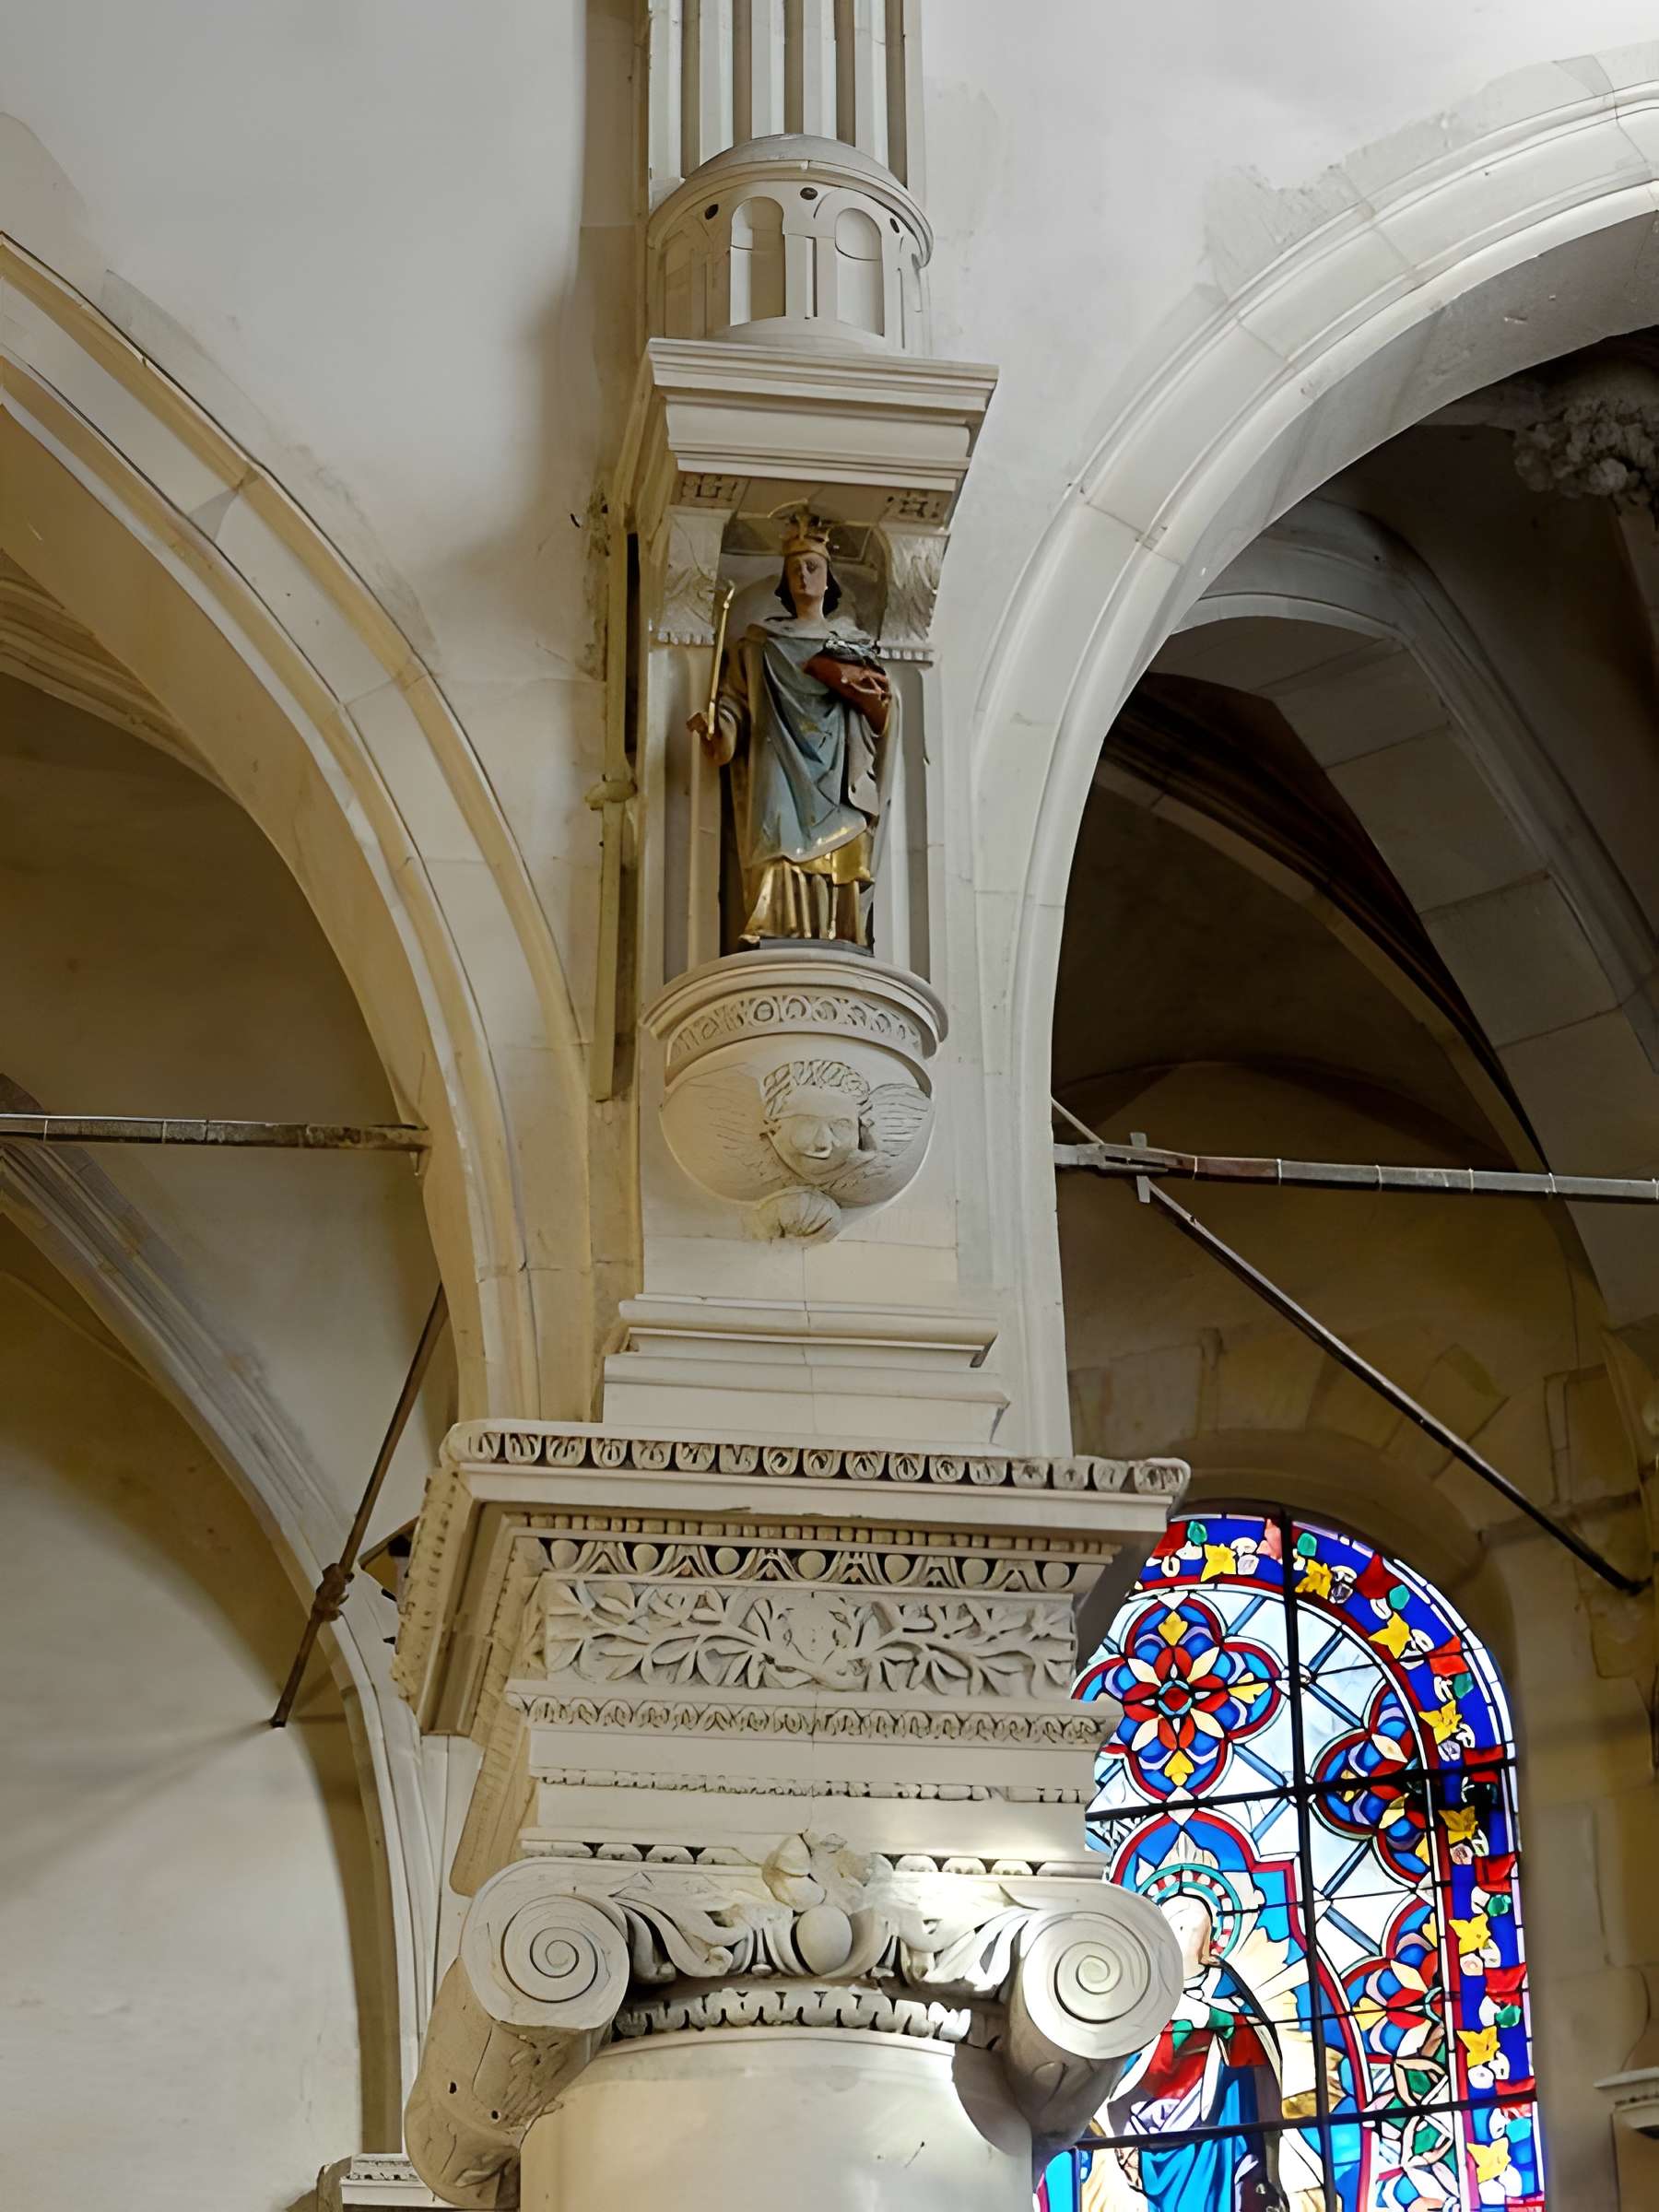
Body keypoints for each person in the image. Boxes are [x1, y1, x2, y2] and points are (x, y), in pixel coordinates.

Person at [689, 514, 892, 949]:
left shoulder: (850, 645)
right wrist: (717, 729)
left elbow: (882, 713)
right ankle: (778, 929)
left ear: (827, 578)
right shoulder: (760, 643)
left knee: (847, 846)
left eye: (812, 567)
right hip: (776, 757)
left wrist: (862, 689)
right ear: (785, 578)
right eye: (795, 568)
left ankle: (837, 933)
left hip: (836, 767)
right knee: (776, 842)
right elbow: (734, 706)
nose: (803, 575)